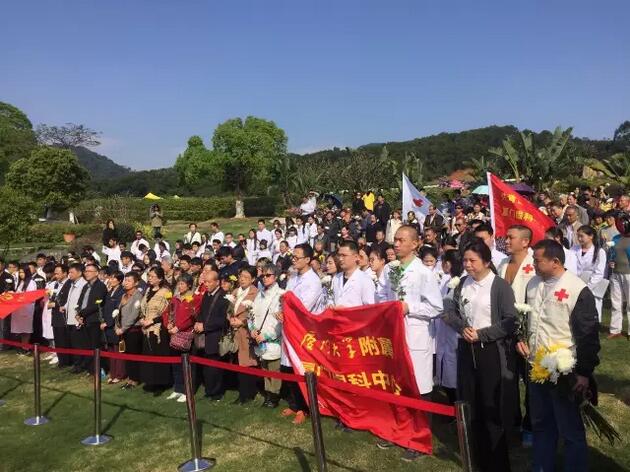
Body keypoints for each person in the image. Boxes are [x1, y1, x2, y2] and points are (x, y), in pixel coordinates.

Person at [516, 240, 600, 472]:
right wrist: (522, 340)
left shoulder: (576, 289)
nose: (533, 264)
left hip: (563, 370)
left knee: (570, 428)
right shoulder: (533, 284)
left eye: (537, 260)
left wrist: (584, 372)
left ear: (555, 262)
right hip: (536, 366)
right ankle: (542, 466)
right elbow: (528, 319)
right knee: (541, 423)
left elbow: (587, 335)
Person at [442, 240, 518, 472]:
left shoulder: (499, 286)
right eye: (465, 260)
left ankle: (497, 462)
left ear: (486, 262)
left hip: (490, 353)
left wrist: (483, 334)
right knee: (470, 405)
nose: (467, 265)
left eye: (472, 260)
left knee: (490, 406)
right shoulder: (462, 284)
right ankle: (475, 457)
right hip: (467, 350)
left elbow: (510, 321)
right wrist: (461, 327)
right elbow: (449, 311)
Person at [377, 225, 443, 461]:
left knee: (419, 388)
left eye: (402, 240)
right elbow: (381, 295)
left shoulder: (424, 272)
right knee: (396, 385)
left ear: (415, 244)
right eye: (395, 239)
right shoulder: (390, 269)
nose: (396, 244)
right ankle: (399, 431)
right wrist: (387, 308)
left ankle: (420, 439)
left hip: (416, 336)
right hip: (393, 335)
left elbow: (436, 307)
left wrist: (409, 308)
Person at [282, 243, 323, 423]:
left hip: (302, 330)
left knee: (301, 369)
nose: (294, 260)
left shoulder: (313, 281)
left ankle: (304, 407)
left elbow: (304, 307)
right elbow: (285, 298)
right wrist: (282, 311)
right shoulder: (293, 278)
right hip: (288, 326)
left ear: (307, 259)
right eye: (293, 257)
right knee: (288, 367)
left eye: (297, 257)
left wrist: (286, 312)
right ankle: (294, 404)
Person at [249, 262, 284, 408]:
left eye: (268, 275)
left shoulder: (281, 294)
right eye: (263, 275)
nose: (265, 278)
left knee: (273, 368)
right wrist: (252, 329)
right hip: (259, 337)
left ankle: (274, 396)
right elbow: (252, 314)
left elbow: (280, 321)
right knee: (264, 368)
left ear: (275, 277)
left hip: (272, 338)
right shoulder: (260, 294)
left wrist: (267, 335)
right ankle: (268, 394)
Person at [194, 267, 230, 400]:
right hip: (205, 336)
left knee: (215, 366)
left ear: (217, 282)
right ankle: (209, 390)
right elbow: (201, 312)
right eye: (205, 282)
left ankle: (217, 392)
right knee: (207, 366)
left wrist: (205, 326)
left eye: (209, 282)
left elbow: (222, 320)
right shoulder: (206, 295)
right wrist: (198, 322)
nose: (206, 284)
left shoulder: (223, 297)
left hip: (215, 336)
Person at [228, 265, 259, 405]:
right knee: (237, 362)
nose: (242, 279)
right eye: (241, 276)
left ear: (253, 279)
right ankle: (241, 392)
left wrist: (242, 322)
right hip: (234, 331)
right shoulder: (235, 291)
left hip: (246, 332)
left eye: (246, 277)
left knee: (247, 363)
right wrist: (230, 319)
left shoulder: (255, 293)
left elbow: (256, 313)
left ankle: (248, 393)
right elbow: (229, 310)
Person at [165, 274, 198, 402]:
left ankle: (187, 390)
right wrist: (168, 323)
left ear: (189, 285)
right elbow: (167, 312)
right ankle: (178, 388)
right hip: (174, 334)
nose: (179, 286)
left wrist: (178, 327)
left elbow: (191, 317)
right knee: (176, 363)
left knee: (187, 364)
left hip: (185, 335)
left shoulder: (193, 298)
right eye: (178, 283)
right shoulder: (175, 298)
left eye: (182, 284)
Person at [139, 267, 173, 392]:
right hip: (147, 328)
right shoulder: (148, 290)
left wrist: (153, 321)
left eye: (153, 276)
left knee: (158, 355)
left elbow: (168, 311)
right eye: (149, 276)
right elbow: (144, 307)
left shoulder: (165, 292)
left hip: (158, 328)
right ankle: (150, 381)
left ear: (160, 278)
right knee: (149, 355)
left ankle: (161, 383)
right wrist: (142, 318)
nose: (150, 278)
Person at [435, 249, 462, 404]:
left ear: (449, 264)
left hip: (456, 333)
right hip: (445, 331)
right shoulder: (447, 281)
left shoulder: (462, 281)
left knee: (456, 372)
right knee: (447, 372)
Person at [76, 263, 108, 372]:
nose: (87, 273)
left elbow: (96, 305)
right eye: (86, 271)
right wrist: (78, 313)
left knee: (96, 346)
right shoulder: (86, 286)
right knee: (87, 346)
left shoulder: (100, 286)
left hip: (94, 320)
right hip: (85, 320)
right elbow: (80, 301)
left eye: (89, 271)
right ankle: (90, 368)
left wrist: (81, 313)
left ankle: (99, 369)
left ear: (96, 273)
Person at [573, 225, 607, 321]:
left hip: (592, 287)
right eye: (578, 236)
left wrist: (587, 287)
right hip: (576, 284)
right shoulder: (574, 249)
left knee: (592, 313)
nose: (579, 239)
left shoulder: (599, 252)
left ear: (591, 236)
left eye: (582, 236)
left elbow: (599, 273)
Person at [117, 272, 144, 390]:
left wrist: (123, 328)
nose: (126, 283)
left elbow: (134, 315)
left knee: (134, 355)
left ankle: (135, 379)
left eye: (129, 280)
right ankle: (130, 378)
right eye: (125, 280)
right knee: (126, 355)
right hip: (123, 331)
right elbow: (118, 313)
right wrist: (117, 326)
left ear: (136, 283)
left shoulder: (138, 296)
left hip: (133, 330)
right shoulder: (124, 295)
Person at [332, 241, 375, 307]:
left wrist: (347, 310)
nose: (340, 259)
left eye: (344, 255)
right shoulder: (336, 278)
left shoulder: (365, 280)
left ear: (356, 257)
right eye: (339, 255)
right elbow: (331, 298)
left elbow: (369, 308)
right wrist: (330, 304)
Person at [61, 263, 88, 373]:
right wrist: (65, 306)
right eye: (69, 272)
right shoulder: (72, 284)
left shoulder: (83, 285)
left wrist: (80, 315)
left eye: (72, 272)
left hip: (78, 319)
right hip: (70, 318)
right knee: (74, 343)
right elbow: (70, 299)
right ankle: (77, 364)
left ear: (80, 273)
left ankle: (81, 365)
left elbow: (82, 302)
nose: (69, 275)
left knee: (79, 344)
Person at [101, 270, 125, 383]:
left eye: (113, 278)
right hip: (107, 326)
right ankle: (113, 373)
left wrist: (109, 322)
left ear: (119, 280)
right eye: (110, 278)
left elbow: (118, 309)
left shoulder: (121, 292)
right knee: (110, 349)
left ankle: (119, 374)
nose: (110, 280)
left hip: (116, 325)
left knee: (118, 350)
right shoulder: (109, 292)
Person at [608, 218, 630, 339]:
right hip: (615, 273)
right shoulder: (616, 238)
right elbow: (612, 252)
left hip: (628, 274)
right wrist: (610, 260)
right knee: (616, 302)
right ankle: (615, 330)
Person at [11, 264, 37, 353]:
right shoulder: (21, 282)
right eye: (20, 272)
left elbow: (31, 296)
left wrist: (18, 296)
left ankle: (26, 348)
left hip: (27, 309)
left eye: (23, 272)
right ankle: (23, 346)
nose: (21, 274)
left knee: (26, 330)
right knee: (21, 329)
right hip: (19, 309)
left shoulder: (31, 283)